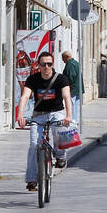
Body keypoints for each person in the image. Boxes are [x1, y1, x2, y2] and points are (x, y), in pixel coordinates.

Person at [16, 52, 72, 190]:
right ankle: (31, 179)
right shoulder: (32, 79)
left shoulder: (61, 79)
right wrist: (20, 115)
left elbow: (67, 97)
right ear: (38, 66)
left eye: (49, 64)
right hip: (39, 115)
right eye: (43, 64)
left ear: (53, 64)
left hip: (56, 113)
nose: (47, 67)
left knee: (60, 130)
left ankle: (60, 156)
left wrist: (69, 115)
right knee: (34, 144)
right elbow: (25, 97)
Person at [62, 50, 83, 127]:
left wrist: (68, 87)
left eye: (63, 58)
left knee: (72, 104)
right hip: (78, 88)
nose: (62, 60)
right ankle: (75, 120)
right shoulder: (76, 63)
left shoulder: (70, 64)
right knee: (75, 105)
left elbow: (71, 77)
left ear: (67, 57)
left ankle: (72, 120)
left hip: (72, 88)